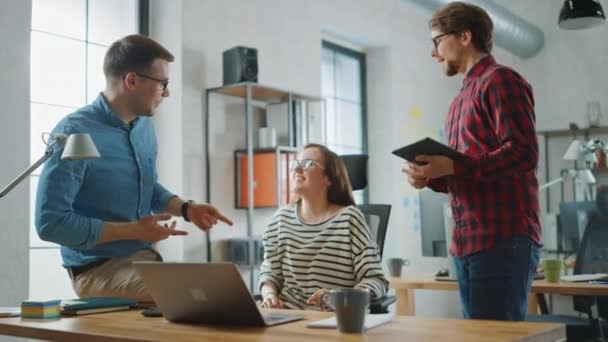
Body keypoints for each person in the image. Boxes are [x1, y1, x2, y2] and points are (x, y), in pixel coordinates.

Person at [35, 34, 233, 302]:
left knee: (221, 289)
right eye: (163, 83)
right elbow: (50, 224)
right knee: (192, 299)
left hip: (143, 261)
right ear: (131, 81)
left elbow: (146, 190)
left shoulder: (144, 128)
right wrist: (135, 231)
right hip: (95, 270)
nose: (167, 92)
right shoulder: (75, 133)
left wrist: (186, 209)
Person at [402, 2, 541, 321]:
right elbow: (469, 171)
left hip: (502, 238)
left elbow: (523, 153)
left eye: (437, 41)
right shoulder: (458, 102)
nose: (434, 53)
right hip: (468, 243)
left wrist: (452, 166)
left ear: (465, 36)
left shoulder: (500, 80)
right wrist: (431, 176)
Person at [259, 143, 388, 311]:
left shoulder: (349, 219)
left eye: (307, 164)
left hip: (333, 321)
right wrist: (269, 296)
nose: (297, 169)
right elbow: (270, 275)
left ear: (328, 179)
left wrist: (340, 298)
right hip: (287, 319)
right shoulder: (280, 219)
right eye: (296, 163)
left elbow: (376, 280)